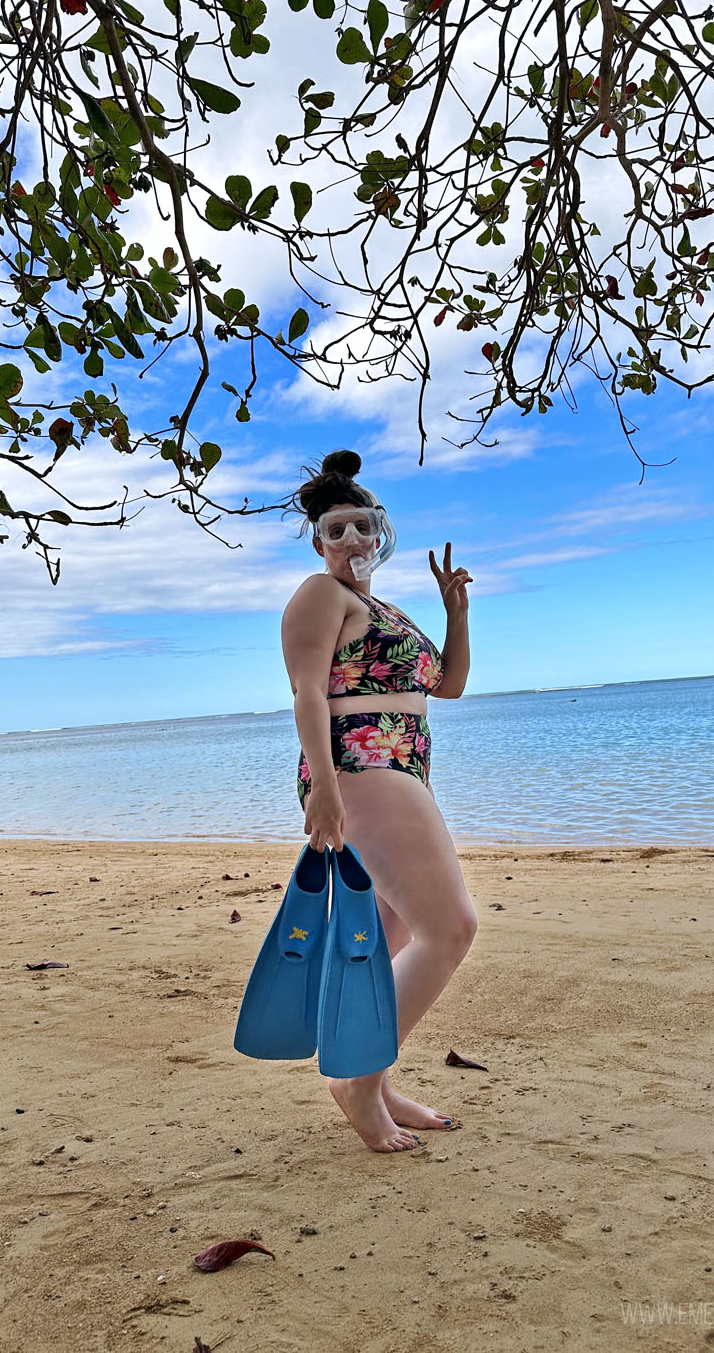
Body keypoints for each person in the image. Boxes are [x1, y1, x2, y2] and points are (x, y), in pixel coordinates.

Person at [281, 449, 477, 1153]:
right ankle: (357, 1081)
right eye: (335, 530)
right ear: (319, 541)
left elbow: (446, 685)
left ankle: (377, 1078)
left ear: (380, 530)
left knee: (390, 940)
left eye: (361, 526)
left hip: (404, 766)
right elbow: (307, 690)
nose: (351, 540)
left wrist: (455, 611)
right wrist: (325, 790)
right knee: (450, 927)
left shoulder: (384, 607)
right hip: (359, 765)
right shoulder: (319, 594)